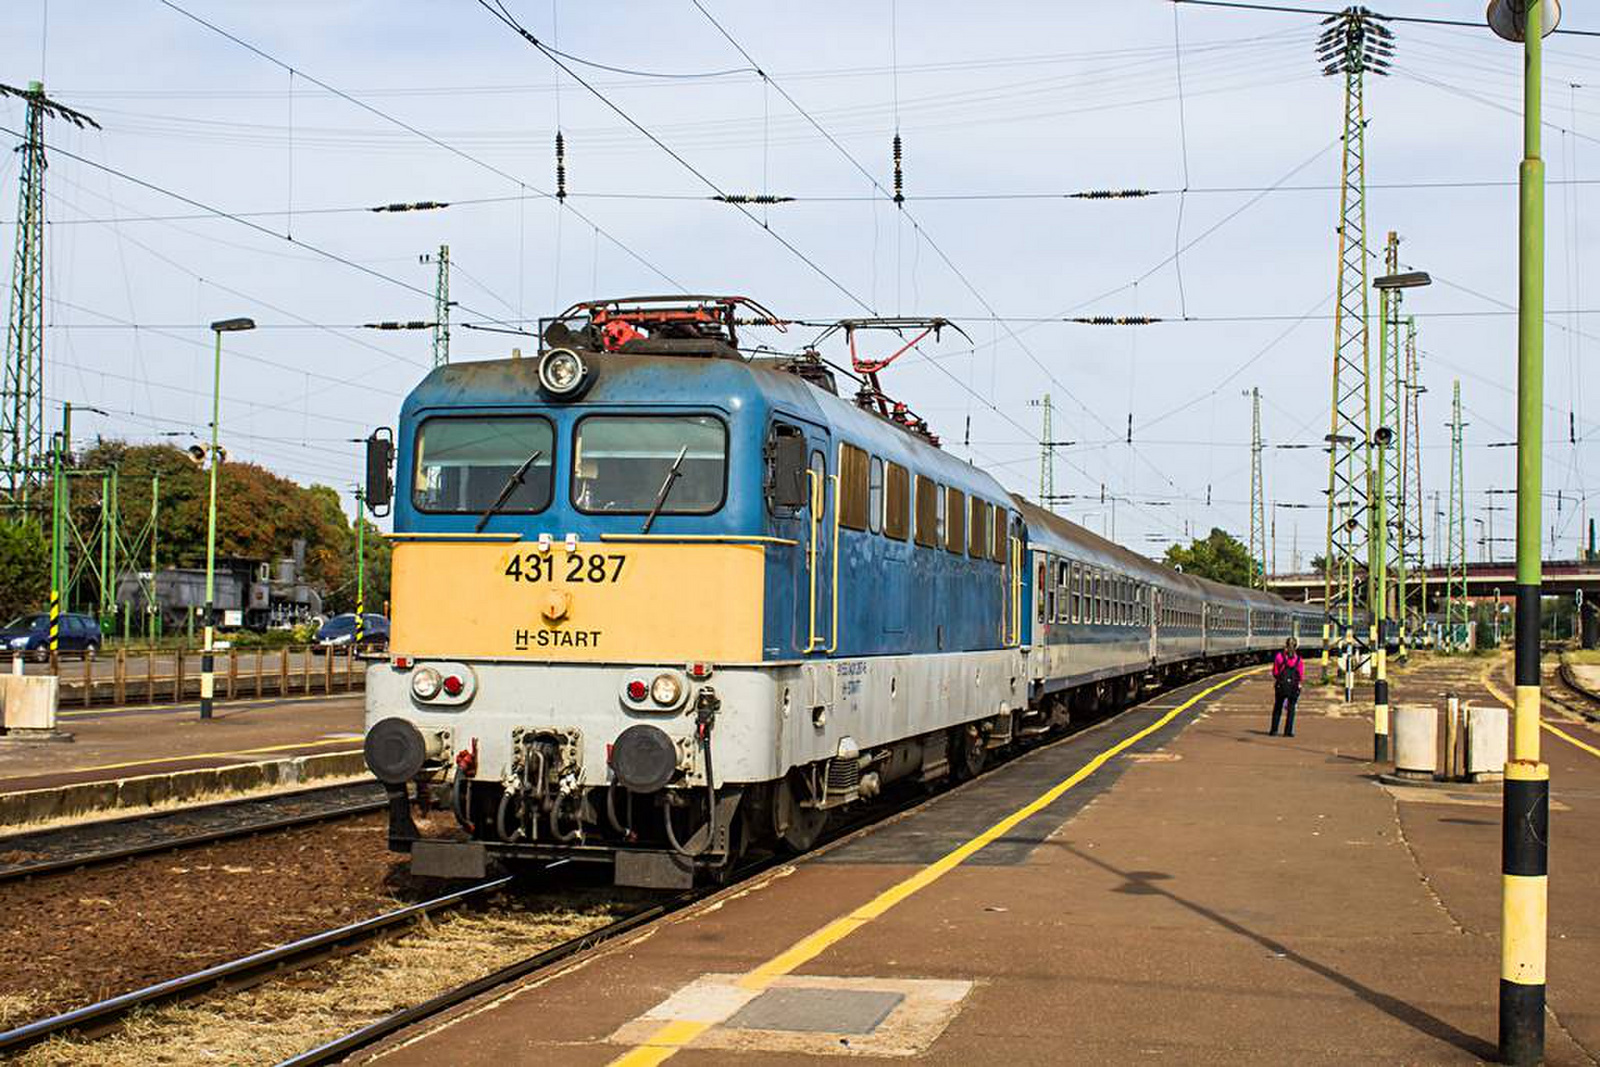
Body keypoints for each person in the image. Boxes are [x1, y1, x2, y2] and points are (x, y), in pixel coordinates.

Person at [1270, 637, 1304, 737]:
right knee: (1291, 709)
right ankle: (1288, 731)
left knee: (1278, 707)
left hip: (1281, 686)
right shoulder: (1299, 660)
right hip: (1293, 687)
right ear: (1296, 647)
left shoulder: (1279, 657)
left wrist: (1280, 679)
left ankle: (1274, 730)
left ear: (1285, 645)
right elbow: (1300, 675)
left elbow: (1275, 672)